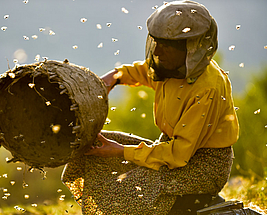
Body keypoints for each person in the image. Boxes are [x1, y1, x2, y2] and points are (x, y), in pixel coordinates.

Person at [62, 0, 239, 214]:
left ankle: (199, 205)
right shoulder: (171, 66)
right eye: (156, 43)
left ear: (190, 48)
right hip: (169, 151)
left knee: (126, 190)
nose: (157, 52)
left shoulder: (207, 89)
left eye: (166, 46)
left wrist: (120, 152)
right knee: (91, 149)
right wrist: (111, 79)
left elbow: (178, 154)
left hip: (202, 167)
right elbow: (142, 71)